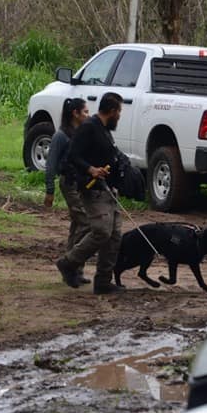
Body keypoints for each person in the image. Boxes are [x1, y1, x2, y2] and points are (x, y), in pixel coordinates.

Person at [56, 92, 124, 294]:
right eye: (119, 111)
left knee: (114, 235)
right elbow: (72, 156)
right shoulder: (88, 128)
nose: (120, 116)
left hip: (109, 190)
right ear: (112, 111)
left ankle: (103, 281)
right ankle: (68, 262)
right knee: (102, 231)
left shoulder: (105, 130)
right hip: (92, 190)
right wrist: (91, 169)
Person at [45, 98, 91, 284]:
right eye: (85, 112)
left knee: (77, 225)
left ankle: (74, 269)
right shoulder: (61, 136)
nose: (88, 115)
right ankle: (70, 264)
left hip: (81, 184)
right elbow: (51, 165)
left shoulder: (80, 133)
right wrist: (49, 190)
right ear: (75, 113)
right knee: (86, 223)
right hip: (69, 183)